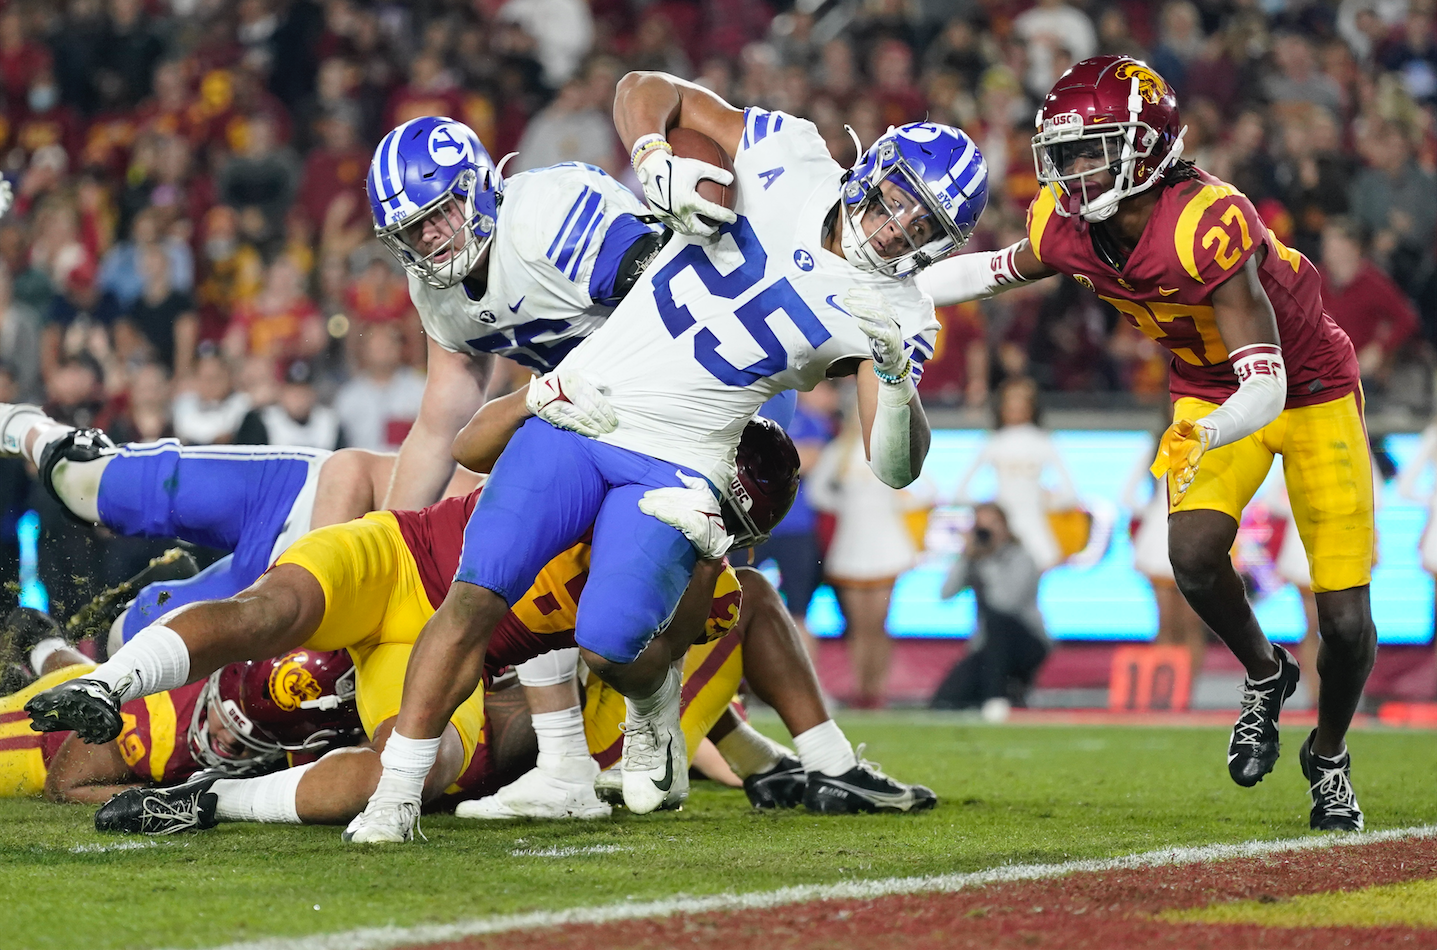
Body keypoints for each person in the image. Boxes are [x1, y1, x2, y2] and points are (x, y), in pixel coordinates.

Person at [336, 71, 985, 842]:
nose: (897, 230)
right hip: (586, 406)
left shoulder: (901, 312)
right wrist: (650, 155)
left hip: (680, 459)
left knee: (612, 641)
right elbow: (645, 87)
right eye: (897, 200)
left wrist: (894, 376)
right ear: (872, 172)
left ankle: (655, 711)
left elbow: (896, 465)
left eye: (924, 225)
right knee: (476, 592)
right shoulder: (792, 158)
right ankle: (396, 796)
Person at [918, 55, 1372, 832]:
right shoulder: (1065, 227)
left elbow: (1264, 384)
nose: (1075, 170)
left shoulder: (1206, 221)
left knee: (1345, 621)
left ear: (1151, 144)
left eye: (1094, 148)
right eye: (1065, 153)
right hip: (1207, 385)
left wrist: (1208, 427)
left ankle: (1327, 757)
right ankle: (1266, 674)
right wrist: (868, 288)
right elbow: (990, 271)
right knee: (1189, 554)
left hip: (1305, 388)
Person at [0, 402, 409, 646]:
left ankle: (47, 648)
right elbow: (353, 470)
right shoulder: (468, 498)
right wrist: (316, 586)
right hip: (296, 498)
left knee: (131, 636)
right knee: (81, 482)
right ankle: (18, 423)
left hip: (299, 609)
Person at [0, 612, 360, 806]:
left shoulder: (289, 706)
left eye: (256, 736)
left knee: (92, 679)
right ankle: (38, 653)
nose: (229, 743)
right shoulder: (155, 731)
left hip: (94, 680)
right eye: (231, 726)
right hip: (41, 742)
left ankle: (42, 644)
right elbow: (63, 786)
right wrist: (153, 797)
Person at [807, 402, 932, 707]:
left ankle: (877, 691)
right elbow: (816, 492)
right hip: (850, 547)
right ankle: (861, 691)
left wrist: (894, 506)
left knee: (878, 624)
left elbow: (926, 489)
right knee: (858, 627)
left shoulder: (893, 448)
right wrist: (848, 508)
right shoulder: (839, 451)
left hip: (886, 547)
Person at [931, 503, 1050, 720]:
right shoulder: (973, 559)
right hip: (987, 647)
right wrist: (966, 556)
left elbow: (1005, 604)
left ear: (1005, 526)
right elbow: (945, 594)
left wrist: (987, 562)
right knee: (945, 701)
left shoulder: (1021, 557)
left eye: (993, 524)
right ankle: (1004, 695)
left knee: (998, 624)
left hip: (1026, 641)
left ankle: (996, 697)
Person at [952, 376, 1078, 572]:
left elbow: (1070, 495)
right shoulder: (993, 442)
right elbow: (960, 494)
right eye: (1011, 403)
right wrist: (992, 507)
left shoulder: (1043, 441)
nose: (1016, 409)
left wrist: (1044, 498)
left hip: (1035, 532)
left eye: (1021, 403)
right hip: (1003, 535)